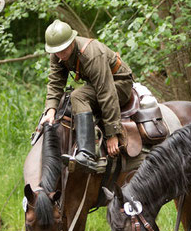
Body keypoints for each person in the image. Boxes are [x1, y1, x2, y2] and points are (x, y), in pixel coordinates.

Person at [39, 19, 133, 172]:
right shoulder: (57, 54)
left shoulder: (92, 54)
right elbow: (55, 82)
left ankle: (87, 153)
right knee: (69, 101)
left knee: (78, 96)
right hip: (97, 85)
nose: (60, 55)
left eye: (63, 50)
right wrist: (51, 110)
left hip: (119, 84)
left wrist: (112, 133)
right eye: (56, 51)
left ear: (72, 42)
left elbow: (106, 93)